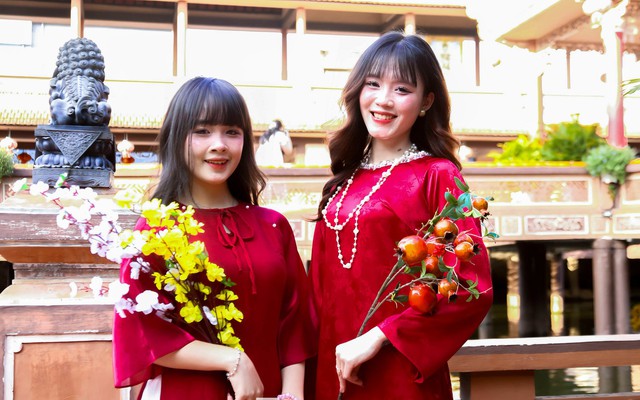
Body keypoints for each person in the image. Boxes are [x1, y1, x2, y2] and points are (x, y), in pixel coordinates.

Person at [307, 32, 493, 399]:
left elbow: (470, 285)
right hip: (332, 369)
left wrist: (380, 336)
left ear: (426, 101)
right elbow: (317, 295)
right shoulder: (342, 182)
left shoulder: (437, 176)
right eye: (373, 84)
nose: (383, 99)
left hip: (399, 371)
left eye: (402, 89)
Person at [113, 77, 315, 400]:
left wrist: (292, 395)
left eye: (231, 132)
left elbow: (295, 325)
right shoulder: (156, 231)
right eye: (203, 131)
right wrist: (232, 360)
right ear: (177, 138)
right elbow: (142, 333)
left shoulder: (274, 227)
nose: (219, 144)